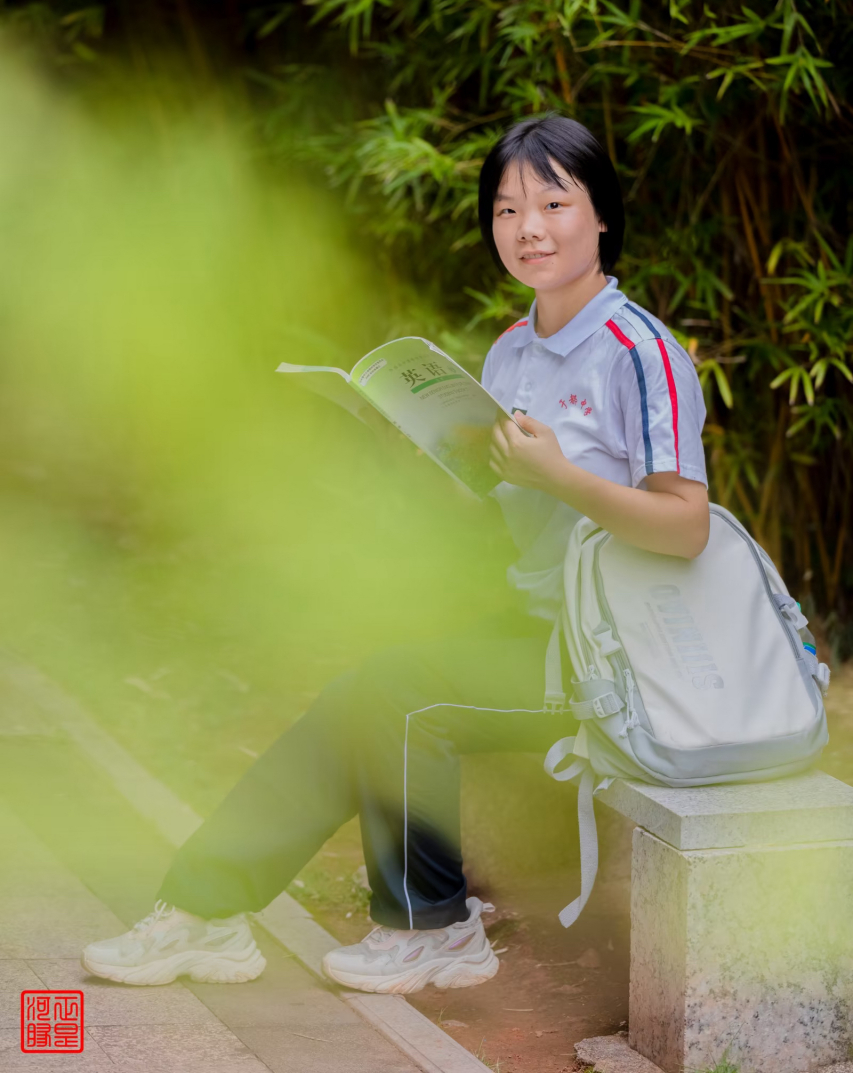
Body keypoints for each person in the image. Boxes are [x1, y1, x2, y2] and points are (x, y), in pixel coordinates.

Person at [81, 115, 710, 995]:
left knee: (398, 691)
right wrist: (423, 460)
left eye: (552, 203)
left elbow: (685, 526)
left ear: (601, 215)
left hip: (622, 659)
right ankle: (204, 910)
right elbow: (507, 513)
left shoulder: (640, 355)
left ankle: (437, 929)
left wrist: (558, 478)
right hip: (538, 624)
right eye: (504, 209)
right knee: (361, 690)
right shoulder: (512, 350)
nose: (527, 228)